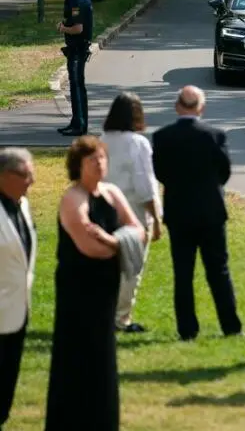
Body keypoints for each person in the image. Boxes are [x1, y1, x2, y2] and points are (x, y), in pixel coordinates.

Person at [45, 136, 145, 430]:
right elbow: (90, 248)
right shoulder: (73, 199)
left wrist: (112, 240)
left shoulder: (112, 192)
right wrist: (118, 245)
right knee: (76, 354)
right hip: (79, 289)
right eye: (93, 160)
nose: (100, 163)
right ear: (78, 166)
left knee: (103, 354)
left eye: (102, 158)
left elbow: (138, 229)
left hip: (106, 286)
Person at [152, 86, 243, 341]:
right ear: (201, 108)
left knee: (183, 272)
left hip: (178, 210)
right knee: (219, 270)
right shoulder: (215, 136)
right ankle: (230, 325)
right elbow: (224, 171)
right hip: (210, 210)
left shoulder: (162, 137)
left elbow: (160, 172)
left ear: (177, 106)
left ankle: (187, 329)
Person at [100, 93, 162, 333]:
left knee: (109, 268)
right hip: (134, 214)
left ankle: (106, 313)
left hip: (106, 212)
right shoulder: (138, 143)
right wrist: (156, 219)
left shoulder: (103, 139)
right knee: (131, 269)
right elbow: (144, 185)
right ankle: (121, 318)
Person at [0, 149, 37, 430]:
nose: (32, 180)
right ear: (5, 177)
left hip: (17, 310)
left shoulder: (21, 204)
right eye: (25, 174)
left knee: (6, 382)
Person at [58, 0, 93, 137]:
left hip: (78, 50)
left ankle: (79, 124)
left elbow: (78, 29)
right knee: (76, 85)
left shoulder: (78, 2)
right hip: (76, 49)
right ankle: (76, 121)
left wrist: (63, 28)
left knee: (77, 86)